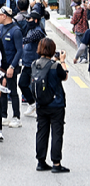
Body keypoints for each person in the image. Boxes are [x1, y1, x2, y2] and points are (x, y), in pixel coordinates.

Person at [32, 38, 69, 173]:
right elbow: (64, 77)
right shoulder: (55, 66)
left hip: (41, 103)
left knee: (42, 132)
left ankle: (41, 162)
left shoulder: (34, 64)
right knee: (56, 133)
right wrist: (63, 61)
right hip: (56, 104)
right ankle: (56, 163)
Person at [0, 6, 24, 128]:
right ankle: (4, 115)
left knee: (12, 91)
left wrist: (12, 66)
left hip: (11, 65)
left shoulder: (16, 31)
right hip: (1, 66)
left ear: (5, 16)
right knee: (2, 89)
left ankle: (16, 117)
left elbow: (19, 51)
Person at [20, 11, 46, 118]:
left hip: (35, 64)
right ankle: (32, 104)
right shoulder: (30, 29)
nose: (27, 21)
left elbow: (26, 40)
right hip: (27, 63)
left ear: (35, 20)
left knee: (37, 87)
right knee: (22, 84)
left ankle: (39, 108)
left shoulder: (38, 32)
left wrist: (16, 40)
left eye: (29, 19)